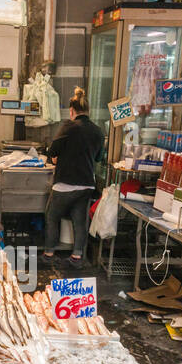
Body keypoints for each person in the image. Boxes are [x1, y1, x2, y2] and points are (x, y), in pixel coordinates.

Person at [41, 87, 104, 269]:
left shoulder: (68, 127)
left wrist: (57, 156)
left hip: (65, 185)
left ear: (72, 110)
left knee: (52, 216)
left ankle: (48, 254)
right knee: (80, 222)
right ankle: (77, 257)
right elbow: (99, 158)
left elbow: (52, 151)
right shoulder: (98, 131)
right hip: (86, 185)